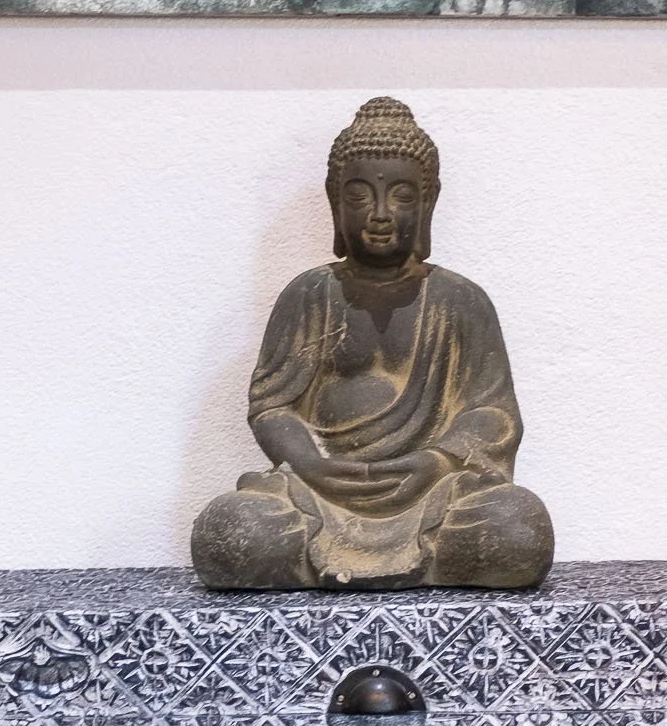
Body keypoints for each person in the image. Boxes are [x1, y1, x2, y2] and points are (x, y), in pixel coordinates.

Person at [192, 96, 553, 592]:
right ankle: (369, 559)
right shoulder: (309, 294)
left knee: (517, 529)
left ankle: (414, 556)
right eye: (359, 197)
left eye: (402, 197)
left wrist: (439, 460)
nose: (381, 214)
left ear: (430, 200)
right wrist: (311, 464)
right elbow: (272, 405)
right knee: (231, 533)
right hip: (321, 492)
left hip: (429, 489)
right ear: (334, 200)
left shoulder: (461, 300)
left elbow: (492, 412)